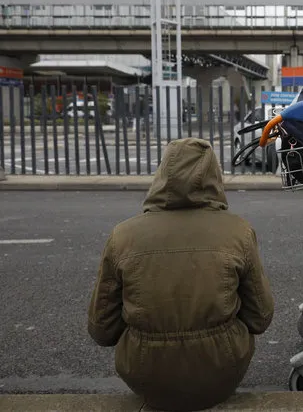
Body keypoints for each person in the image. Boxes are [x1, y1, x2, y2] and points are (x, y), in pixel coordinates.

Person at [87, 137, 274, 411]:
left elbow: (101, 329)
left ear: (162, 175)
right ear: (214, 176)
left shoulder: (123, 235)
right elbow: (260, 317)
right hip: (221, 371)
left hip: (144, 374)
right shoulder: (238, 232)